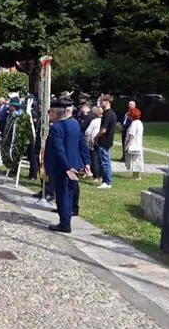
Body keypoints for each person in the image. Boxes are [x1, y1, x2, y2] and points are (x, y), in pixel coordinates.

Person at [44, 100, 90, 233]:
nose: (49, 115)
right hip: (73, 164)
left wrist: (66, 167)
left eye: (50, 112)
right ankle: (66, 219)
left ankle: (65, 224)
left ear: (55, 113)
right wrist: (86, 162)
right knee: (69, 193)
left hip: (63, 167)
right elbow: (82, 144)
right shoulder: (74, 124)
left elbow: (59, 149)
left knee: (62, 194)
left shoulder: (56, 128)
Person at [95, 95, 117, 189]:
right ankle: (105, 180)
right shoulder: (108, 113)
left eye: (102, 101)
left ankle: (107, 182)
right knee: (103, 161)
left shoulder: (108, 114)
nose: (100, 102)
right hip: (105, 141)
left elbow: (104, 129)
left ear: (107, 101)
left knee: (105, 162)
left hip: (105, 141)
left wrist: (96, 137)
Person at [124, 108, 144, 180]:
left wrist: (128, 144)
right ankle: (135, 175)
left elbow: (132, 134)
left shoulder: (134, 123)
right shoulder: (139, 122)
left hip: (134, 144)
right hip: (138, 144)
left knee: (135, 160)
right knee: (137, 159)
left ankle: (137, 176)